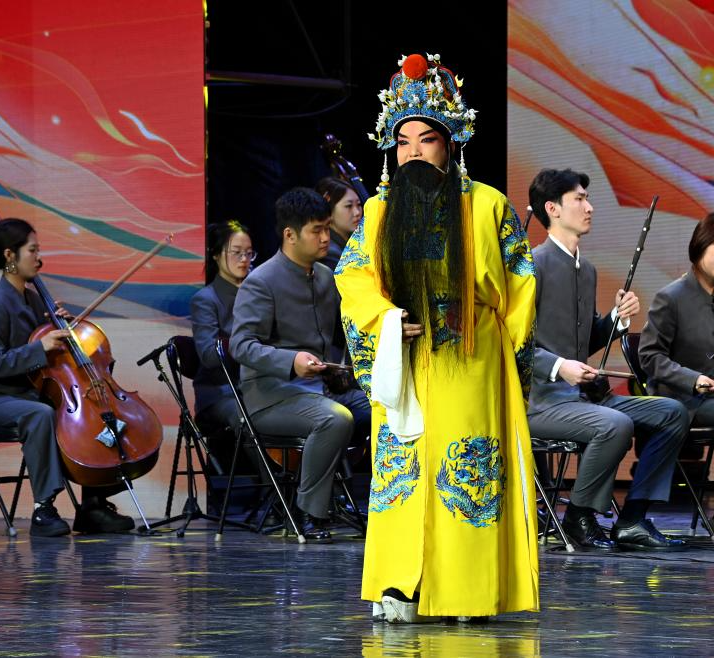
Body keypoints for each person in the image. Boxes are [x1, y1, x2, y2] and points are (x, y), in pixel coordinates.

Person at [336, 53, 538, 623]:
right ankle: (400, 585)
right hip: (404, 356)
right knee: (403, 470)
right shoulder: (377, 211)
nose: (414, 153)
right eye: (403, 142)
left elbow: (521, 286)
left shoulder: (488, 205)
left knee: (466, 469)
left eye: (427, 140)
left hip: (471, 355)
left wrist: (504, 357)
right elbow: (352, 277)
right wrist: (386, 319)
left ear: (450, 145)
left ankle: (470, 591)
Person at [527, 168, 688, 553]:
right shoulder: (532, 265)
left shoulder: (587, 269)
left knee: (672, 412)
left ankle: (632, 518)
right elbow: (512, 342)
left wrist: (616, 320)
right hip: (541, 401)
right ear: (552, 209)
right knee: (615, 424)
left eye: (587, 198)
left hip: (584, 399)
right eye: (579, 199)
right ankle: (578, 515)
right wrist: (559, 366)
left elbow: (584, 341)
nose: (590, 207)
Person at [0, 218, 135, 537]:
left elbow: (46, 352)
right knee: (41, 413)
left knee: (90, 415)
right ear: (10, 255)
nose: (38, 258)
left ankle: (94, 505)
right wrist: (41, 347)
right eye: (32, 250)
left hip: (22, 393)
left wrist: (60, 325)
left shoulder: (33, 299)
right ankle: (44, 509)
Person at [230, 188, 371, 543]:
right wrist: (290, 361)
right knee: (334, 418)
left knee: (381, 407)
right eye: (316, 231)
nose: (325, 238)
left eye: (327, 228)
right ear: (290, 235)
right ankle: (308, 512)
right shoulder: (261, 282)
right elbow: (241, 345)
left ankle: (378, 501)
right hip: (272, 397)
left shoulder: (324, 276)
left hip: (320, 389)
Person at [639, 212, 714, 531]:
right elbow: (649, 356)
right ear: (701, 245)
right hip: (684, 400)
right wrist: (693, 380)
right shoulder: (671, 296)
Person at [191, 220, 255, 432]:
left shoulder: (258, 293)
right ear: (216, 255)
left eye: (249, 253)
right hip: (222, 391)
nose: (244, 259)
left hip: (258, 385)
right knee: (249, 416)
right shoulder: (206, 299)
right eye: (236, 252)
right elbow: (209, 356)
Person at [316, 177, 363, 271]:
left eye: (358, 204)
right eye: (349, 206)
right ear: (329, 211)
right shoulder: (329, 252)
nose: (357, 212)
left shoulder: (357, 240)